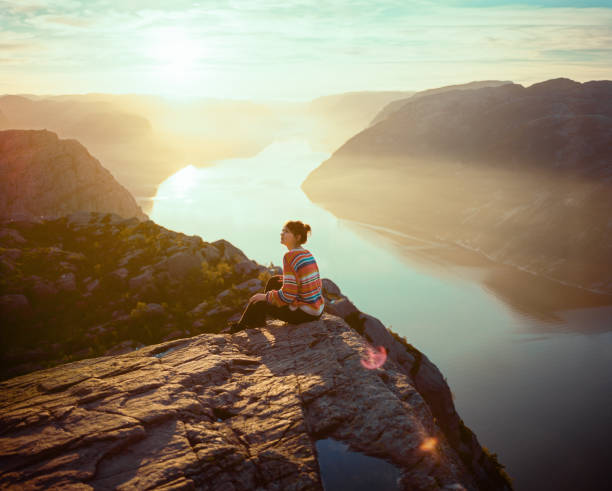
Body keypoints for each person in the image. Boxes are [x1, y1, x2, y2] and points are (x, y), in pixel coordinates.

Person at [226, 220, 324, 333]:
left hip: (304, 314)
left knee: (258, 302)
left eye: (286, 232)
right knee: (274, 281)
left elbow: (288, 296)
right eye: (282, 231)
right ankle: (259, 318)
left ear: (297, 237)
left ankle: (241, 328)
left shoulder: (290, 256)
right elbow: (315, 283)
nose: (282, 234)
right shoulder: (306, 253)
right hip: (316, 309)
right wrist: (289, 281)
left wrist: (265, 297)